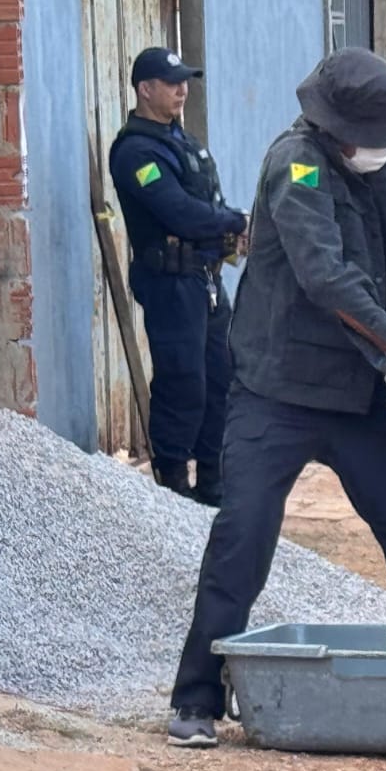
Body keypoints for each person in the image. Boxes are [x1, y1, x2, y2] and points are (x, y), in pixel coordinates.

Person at [165, 48, 386, 748]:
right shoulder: (296, 164)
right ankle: (196, 701)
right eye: (368, 134)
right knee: (243, 537)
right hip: (278, 390)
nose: (380, 147)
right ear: (332, 127)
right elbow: (322, 272)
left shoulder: (385, 160)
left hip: (358, 397)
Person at [109, 46, 248, 505]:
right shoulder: (135, 151)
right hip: (169, 282)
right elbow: (179, 212)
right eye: (172, 83)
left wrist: (228, 228)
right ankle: (172, 485)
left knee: (219, 377)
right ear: (144, 90)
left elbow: (204, 203)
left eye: (185, 81)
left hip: (205, 278)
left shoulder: (182, 141)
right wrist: (234, 221)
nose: (182, 90)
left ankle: (214, 481)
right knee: (182, 380)